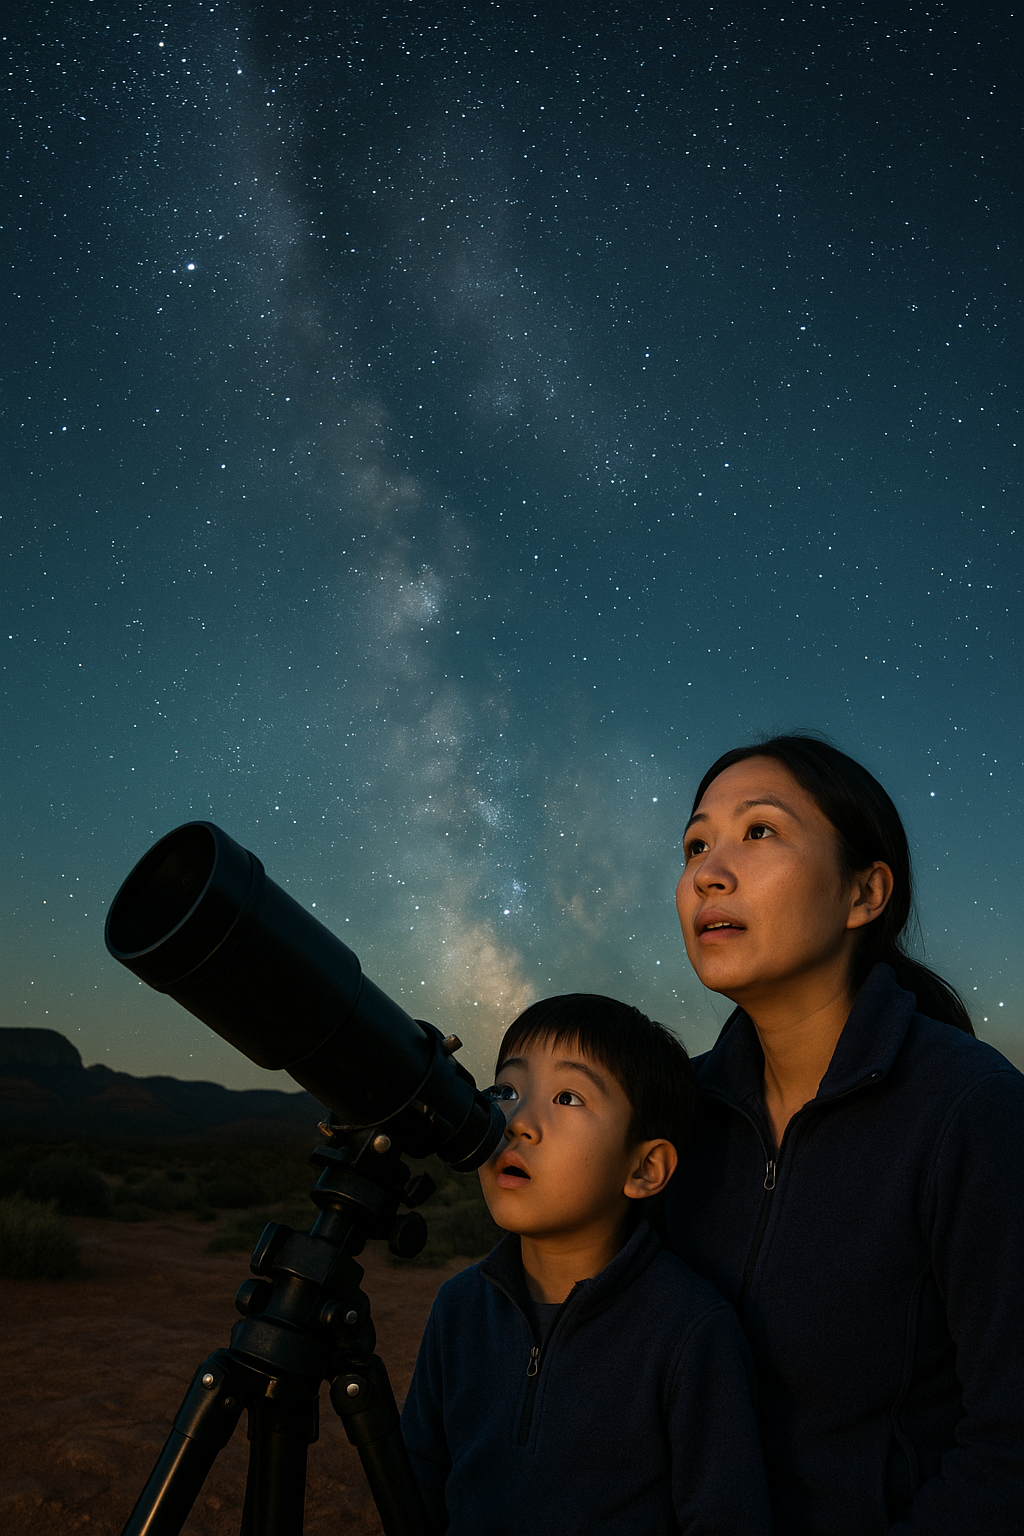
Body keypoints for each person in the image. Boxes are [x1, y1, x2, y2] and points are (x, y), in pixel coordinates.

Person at [664, 732, 1024, 1536]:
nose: (707, 873)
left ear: (865, 894)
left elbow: (1009, 1446)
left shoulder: (972, 1110)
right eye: (695, 843)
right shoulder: (670, 1117)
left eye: (759, 831)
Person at [401, 994, 772, 1535]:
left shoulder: (689, 1333)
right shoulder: (458, 1309)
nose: (518, 1123)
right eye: (505, 1090)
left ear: (645, 1168)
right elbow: (416, 1489)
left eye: (568, 1097)